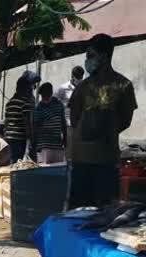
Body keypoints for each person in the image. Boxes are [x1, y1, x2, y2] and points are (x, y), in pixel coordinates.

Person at [68, 33, 138, 208]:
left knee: (105, 213)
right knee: (77, 213)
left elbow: (126, 120)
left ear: (105, 56)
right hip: (81, 161)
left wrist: (104, 131)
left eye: (91, 56)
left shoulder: (123, 86)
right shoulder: (82, 87)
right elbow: (74, 118)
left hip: (107, 162)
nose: (88, 61)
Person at [33, 82, 67, 164]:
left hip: (57, 144)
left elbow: (63, 122)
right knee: (45, 168)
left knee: (57, 168)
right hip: (44, 145)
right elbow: (35, 126)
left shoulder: (59, 105)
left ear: (51, 93)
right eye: (43, 96)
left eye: (46, 95)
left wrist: (65, 137)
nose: (44, 98)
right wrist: (35, 143)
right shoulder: (39, 108)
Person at [56, 65, 85, 158]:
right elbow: (55, 102)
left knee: (81, 150)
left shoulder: (84, 87)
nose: (79, 79)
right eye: (77, 77)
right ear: (72, 76)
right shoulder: (63, 88)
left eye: (81, 77)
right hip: (68, 124)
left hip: (81, 123)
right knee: (69, 150)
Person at [4, 76, 34, 163]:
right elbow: (26, 121)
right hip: (19, 138)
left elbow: (6, 121)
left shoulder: (10, 102)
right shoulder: (25, 102)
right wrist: (30, 137)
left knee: (11, 160)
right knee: (17, 161)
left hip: (9, 136)